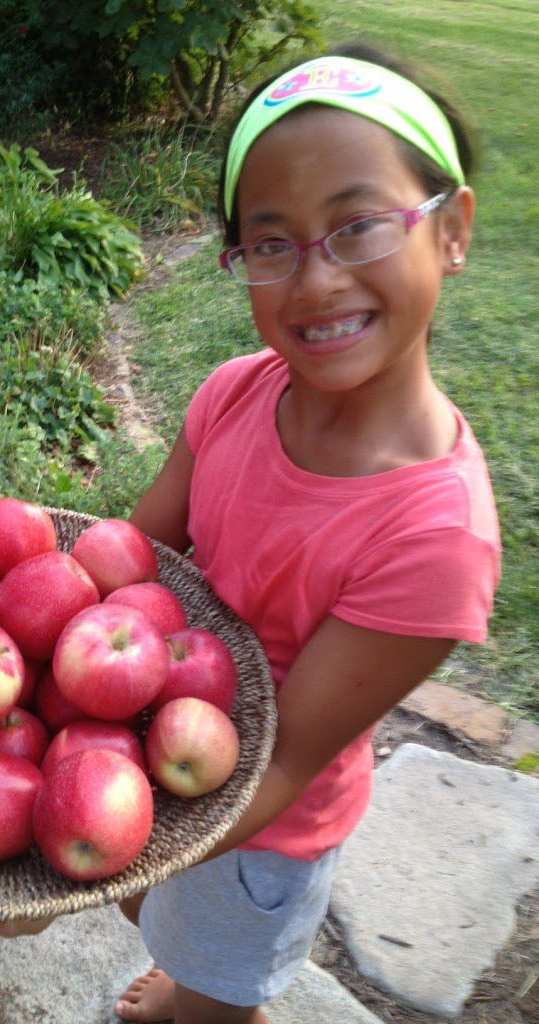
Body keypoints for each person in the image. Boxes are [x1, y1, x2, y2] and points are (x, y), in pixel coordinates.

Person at [111, 43, 501, 1024]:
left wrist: (104, 844)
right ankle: (182, 968)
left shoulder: (434, 540)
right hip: (161, 749)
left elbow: (283, 763)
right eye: (272, 242)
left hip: (264, 831)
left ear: (450, 229)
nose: (316, 280)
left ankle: (210, 1002)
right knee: (162, 920)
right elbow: (129, 562)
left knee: (218, 986)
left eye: (358, 226)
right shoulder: (234, 396)